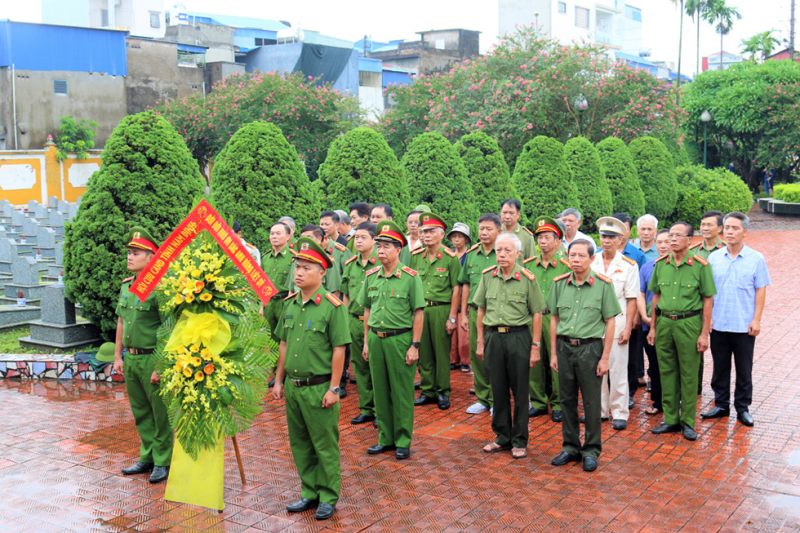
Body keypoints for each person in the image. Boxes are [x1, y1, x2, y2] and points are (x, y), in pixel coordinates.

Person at [272, 237, 351, 521]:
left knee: (325, 445)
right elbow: (283, 344)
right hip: (294, 387)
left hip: (320, 389)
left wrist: (334, 388)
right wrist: (279, 380)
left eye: (306, 267)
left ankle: (328, 496)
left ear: (322, 272)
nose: (299, 272)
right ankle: (310, 491)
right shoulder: (290, 304)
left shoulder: (333, 306)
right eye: (297, 266)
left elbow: (339, 349)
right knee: (300, 442)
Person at [549, 239, 621, 472]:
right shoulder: (559, 284)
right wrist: (553, 352)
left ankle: (591, 450)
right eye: (572, 255)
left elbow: (610, 322)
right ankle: (570, 447)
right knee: (566, 400)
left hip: (591, 349)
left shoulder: (603, 285)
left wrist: (605, 357)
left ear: (592, 259)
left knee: (591, 402)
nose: (576, 260)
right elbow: (554, 319)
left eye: (581, 256)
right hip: (564, 347)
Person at [474, 233, 545, 459]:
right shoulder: (487, 277)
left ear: (517, 253)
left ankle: (520, 440)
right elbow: (481, 310)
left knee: (520, 390)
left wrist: (535, 346)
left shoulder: (527, 278)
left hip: (519, 338)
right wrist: (480, 341)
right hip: (494, 337)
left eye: (507, 250)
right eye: (498, 250)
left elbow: (537, 314)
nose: (502, 254)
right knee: (498, 389)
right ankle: (502, 437)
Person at [359, 220, 425, 460]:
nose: (381, 251)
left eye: (387, 246)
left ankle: (403, 440)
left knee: (401, 392)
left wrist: (414, 346)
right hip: (376, 339)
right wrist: (366, 341)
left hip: (401, 339)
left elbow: (419, 313)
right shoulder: (371, 277)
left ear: (399, 249)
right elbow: (367, 310)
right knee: (380, 390)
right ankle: (384, 438)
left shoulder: (410, 278)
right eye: (379, 246)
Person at [647, 222, 716, 441]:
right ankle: (670, 419)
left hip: (689, 323)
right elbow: (655, 297)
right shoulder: (660, 265)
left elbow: (708, 300)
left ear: (690, 240)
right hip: (665, 323)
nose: (672, 240)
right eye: (670, 236)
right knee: (666, 371)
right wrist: (653, 327)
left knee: (688, 374)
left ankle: (687, 421)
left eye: (677, 236)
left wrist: (704, 333)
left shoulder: (700, 266)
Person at [702, 212, 771, 427]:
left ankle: (743, 407)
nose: (730, 232)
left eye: (735, 228)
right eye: (727, 227)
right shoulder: (713, 258)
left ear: (745, 232)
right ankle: (721, 404)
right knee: (720, 368)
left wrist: (756, 319)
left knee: (744, 369)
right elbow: (708, 293)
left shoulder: (756, 258)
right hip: (719, 324)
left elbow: (760, 290)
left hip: (743, 325)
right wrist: (708, 319)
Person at [115, 226, 172, 484]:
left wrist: (161, 364)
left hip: (151, 357)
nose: (129, 256)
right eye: (129, 252)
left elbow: (168, 329)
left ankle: (163, 461)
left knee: (160, 413)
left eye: (136, 252)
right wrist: (118, 356)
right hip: (131, 358)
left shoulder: (159, 288)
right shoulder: (127, 287)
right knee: (140, 411)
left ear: (151, 257)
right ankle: (146, 457)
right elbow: (121, 322)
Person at [591, 217, 640, 431]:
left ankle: (619, 412)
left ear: (620, 239)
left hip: (618, 323)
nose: (607, 240)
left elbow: (631, 299)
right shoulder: (590, 261)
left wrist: (629, 327)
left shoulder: (629, 265)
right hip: (592, 324)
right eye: (603, 236)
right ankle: (600, 411)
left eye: (611, 237)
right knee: (596, 369)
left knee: (618, 369)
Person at [410, 212, 462, 410]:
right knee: (424, 352)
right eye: (424, 231)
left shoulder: (450, 258)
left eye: (431, 231)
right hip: (422, 310)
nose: (426, 235)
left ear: (441, 234)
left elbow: (456, 289)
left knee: (441, 352)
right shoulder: (416, 257)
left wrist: (452, 318)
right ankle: (428, 390)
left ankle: (443, 391)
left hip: (441, 310)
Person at [523, 216, 571, 423]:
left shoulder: (565, 265)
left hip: (556, 318)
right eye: (539, 237)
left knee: (556, 361)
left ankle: (559, 403)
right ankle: (539, 402)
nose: (542, 241)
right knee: (534, 361)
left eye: (547, 237)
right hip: (533, 318)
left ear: (558, 241)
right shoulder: (528, 265)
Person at [459, 214, 501, 415]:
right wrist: (464, 314)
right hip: (476, 312)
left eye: (489, 229)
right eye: (481, 228)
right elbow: (466, 283)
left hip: (497, 312)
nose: (484, 232)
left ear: (498, 231)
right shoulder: (472, 254)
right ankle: (483, 399)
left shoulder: (503, 253)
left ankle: (496, 400)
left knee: (495, 357)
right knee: (477, 355)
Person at [341, 222, 379, 425]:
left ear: (375, 240)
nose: (359, 241)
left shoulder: (380, 264)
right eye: (357, 237)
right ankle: (367, 408)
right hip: (354, 320)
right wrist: (346, 319)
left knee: (376, 367)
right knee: (360, 367)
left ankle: (381, 410)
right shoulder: (350, 265)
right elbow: (346, 294)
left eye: (364, 237)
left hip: (375, 323)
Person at [612, 212, 645, 409]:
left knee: (631, 356)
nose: (620, 233)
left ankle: (630, 392)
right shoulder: (598, 255)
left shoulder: (637, 255)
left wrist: (637, 316)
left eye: (623, 228)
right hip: (605, 318)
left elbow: (639, 290)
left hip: (628, 314)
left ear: (628, 231)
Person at [638, 229, 672, 415]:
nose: (663, 246)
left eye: (667, 242)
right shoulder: (647, 267)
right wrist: (644, 316)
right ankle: (658, 401)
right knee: (655, 364)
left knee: (672, 364)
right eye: (659, 242)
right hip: (649, 324)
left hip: (670, 323)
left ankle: (674, 400)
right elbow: (641, 294)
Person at [261, 221, 294, 336]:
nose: (274, 236)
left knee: (285, 337)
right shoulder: (265, 258)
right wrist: (261, 306)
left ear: (288, 236)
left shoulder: (293, 257)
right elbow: (261, 283)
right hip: (268, 303)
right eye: (272, 233)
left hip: (284, 302)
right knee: (266, 339)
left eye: (278, 233)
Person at [447, 222, 471, 373]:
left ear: (466, 240)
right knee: (451, 331)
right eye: (454, 236)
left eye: (460, 237)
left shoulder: (470, 255)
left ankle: (465, 361)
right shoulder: (448, 254)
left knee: (464, 333)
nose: (456, 240)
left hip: (464, 295)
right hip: (450, 295)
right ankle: (452, 359)